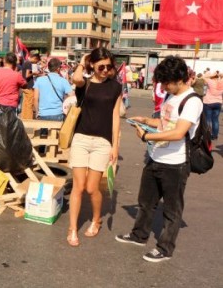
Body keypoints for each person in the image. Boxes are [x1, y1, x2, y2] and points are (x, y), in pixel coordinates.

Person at [116, 56, 203, 263]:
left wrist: (147, 136)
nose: (164, 86)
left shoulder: (192, 101)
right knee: (146, 202)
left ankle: (165, 248)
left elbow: (178, 132)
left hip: (176, 162)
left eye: (166, 82)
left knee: (172, 210)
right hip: (156, 157)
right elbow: (165, 123)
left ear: (180, 78)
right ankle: (139, 235)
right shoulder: (170, 97)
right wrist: (146, 121)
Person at [67, 47, 122, 247]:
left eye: (109, 66)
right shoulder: (86, 83)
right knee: (78, 187)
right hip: (81, 138)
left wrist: (115, 146)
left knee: (92, 188)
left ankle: (96, 219)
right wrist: (83, 61)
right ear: (93, 64)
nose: (106, 70)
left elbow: (116, 117)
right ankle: (72, 228)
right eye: (102, 66)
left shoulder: (115, 87)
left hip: (102, 143)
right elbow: (76, 79)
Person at [20, 51, 42, 119]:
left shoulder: (25, 62)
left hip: (25, 86)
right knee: (29, 104)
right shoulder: (29, 63)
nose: (36, 63)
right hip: (29, 86)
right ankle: (29, 118)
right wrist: (34, 73)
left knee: (25, 103)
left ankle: (24, 117)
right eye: (36, 61)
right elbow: (27, 75)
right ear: (35, 58)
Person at [202, 71, 223, 140]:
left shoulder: (210, 81)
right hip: (218, 102)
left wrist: (210, 75)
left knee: (208, 119)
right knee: (215, 120)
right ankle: (215, 135)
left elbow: (202, 77)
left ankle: (207, 134)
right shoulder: (221, 82)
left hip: (208, 102)